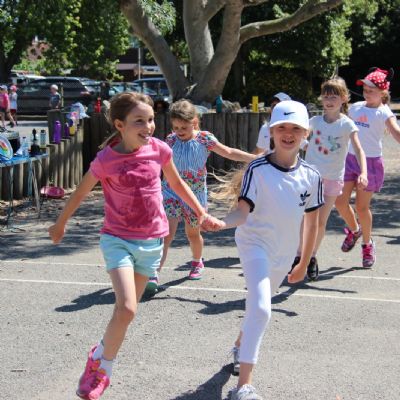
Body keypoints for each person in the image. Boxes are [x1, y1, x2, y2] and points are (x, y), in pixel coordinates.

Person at [48, 92, 220, 400]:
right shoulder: (106, 160)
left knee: (128, 313)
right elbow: (81, 192)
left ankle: (98, 355)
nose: (148, 126)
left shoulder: (160, 150)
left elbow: (177, 184)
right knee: (126, 307)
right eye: (139, 121)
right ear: (120, 125)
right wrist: (60, 223)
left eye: (151, 119)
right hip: (117, 239)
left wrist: (201, 212)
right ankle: (103, 371)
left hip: (151, 242)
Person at [203, 100, 324, 400]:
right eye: (281, 127)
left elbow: (312, 224)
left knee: (258, 307)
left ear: (306, 133)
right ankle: (243, 386)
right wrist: (222, 222)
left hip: (284, 254)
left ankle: (239, 347)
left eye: (295, 128)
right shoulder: (257, 168)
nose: (288, 133)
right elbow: (242, 212)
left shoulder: (312, 175)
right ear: (271, 131)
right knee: (261, 309)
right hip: (254, 244)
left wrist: (303, 261)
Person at [146, 99, 256, 291]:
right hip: (171, 192)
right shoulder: (171, 140)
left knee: (192, 233)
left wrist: (254, 158)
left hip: (195, 195)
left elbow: (228, 152)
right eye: (176, 127)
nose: (179, 131)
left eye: (184, 127)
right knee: (166, 234)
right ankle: (153, 274)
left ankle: (197, 261)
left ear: (194, 122)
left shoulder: (204, 139)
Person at [294, 77, 368, 280]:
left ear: (344, 98)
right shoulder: (314, 122)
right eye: (326, 96)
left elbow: (359, 150)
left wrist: (363, 173)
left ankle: (311, 257)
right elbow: (299, 138)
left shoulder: (347, 124)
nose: (329, 100)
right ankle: (299, 255)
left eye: (334, 96)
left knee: (319, 222)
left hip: (333, 180)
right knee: (304, 219)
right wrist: (305, 145)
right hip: (310, 178)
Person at [335, 67, 400, 268]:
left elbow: (396, 133)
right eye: (365, 89)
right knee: (340, 202)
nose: (367, 93)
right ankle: (355, 230)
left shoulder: (384, 112)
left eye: (371, 90)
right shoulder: (355, 108)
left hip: (371, 163)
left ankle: (367, 244)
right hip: (349, 159)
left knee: (362, 207)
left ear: (382, 92)